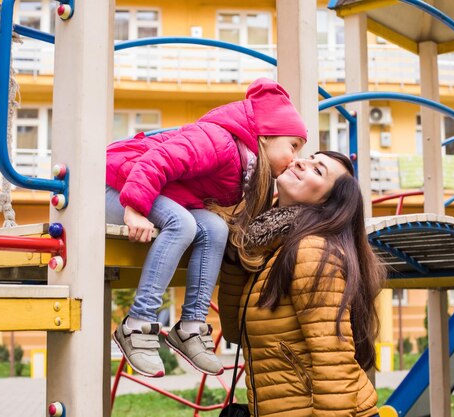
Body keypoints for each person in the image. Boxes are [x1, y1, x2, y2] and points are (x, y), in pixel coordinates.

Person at [106, 78, 307, 378]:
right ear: (266, 134)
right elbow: (156, 161)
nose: (295, 158)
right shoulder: (217, 141)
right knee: (182, 223)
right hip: (115, 182)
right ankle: (137, 324)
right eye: (293, 146)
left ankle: (190, 327)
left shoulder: (246, 168)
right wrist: (135, 208)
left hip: (154, 192)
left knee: (215, 228)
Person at [219, 151, 386, 417]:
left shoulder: (312, 250)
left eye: (317, 170)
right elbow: (234, 332)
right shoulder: (268, 247)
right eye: (308, 158)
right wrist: (238, 251)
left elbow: (332, 360)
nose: (300, 162)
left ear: (326, 203)